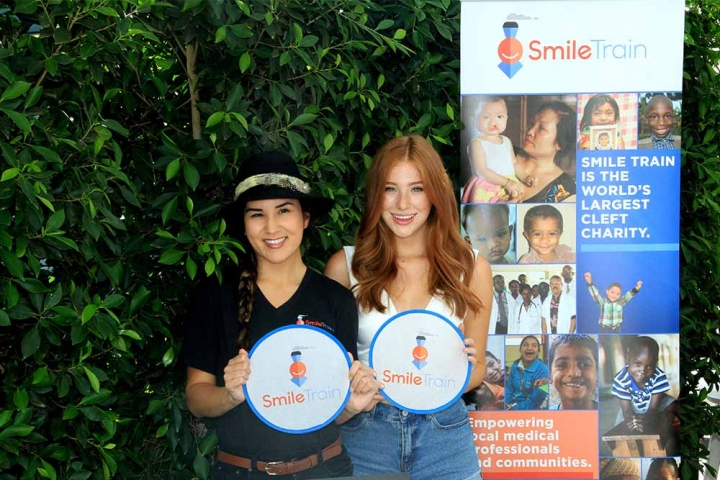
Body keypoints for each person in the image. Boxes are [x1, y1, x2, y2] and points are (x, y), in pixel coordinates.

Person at [183, 151, 379, 479]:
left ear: (305, 217)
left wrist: (351, 405)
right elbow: (196, 397)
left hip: (327, 469)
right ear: (243, 225)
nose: (271, 227)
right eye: (257, 214)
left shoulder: (336, 299)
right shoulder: (214, 296)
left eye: (284, 210)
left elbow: (330, 407)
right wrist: (230, 396)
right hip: (240, 472)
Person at [324, 134, 491, 479]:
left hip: (444, 435)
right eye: (390, 189)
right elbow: (330, 370)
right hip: (367, 434)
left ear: (435, 193)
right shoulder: (345, 266)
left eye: (416, 188)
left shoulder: (471, 267)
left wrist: (445, 377)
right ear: (375, 195)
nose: (403, 204)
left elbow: (476, 371)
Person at [462, 97, 534, 203]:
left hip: (508, 185)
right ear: (474, 120)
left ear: (506, 118)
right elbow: (482, 171)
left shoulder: (506, 141)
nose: (493, 122)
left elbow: (513, 164)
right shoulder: (476, 143)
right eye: (486, 117)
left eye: (499, 116)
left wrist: (525, 177)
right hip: (487, 187)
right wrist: (507, 183)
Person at [512, 101, 577, 203]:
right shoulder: (505, 152)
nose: (530, 132)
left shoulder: (565, 189)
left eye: (541, 128)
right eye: (531, 124)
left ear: (559, 143)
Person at [611, 336, 672, 434]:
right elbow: (626, 410)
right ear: (627, 358)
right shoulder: (620, 380)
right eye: (637, 364)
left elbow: (653, 408)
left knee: (671, 406)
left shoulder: (658, 377)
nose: (643, 370)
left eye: (649, 366)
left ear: (656, 363)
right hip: (631, 406)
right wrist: (630, 419)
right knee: (619, 428)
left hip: (655, 405)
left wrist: (648, 418)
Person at [548, 335, 598, 410]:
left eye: (584, 364)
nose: (574, 373)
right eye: (562, 365)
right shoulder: (544, 418)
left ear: (597, 372)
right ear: (550, 374)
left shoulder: (605, 418)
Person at [506, 336, 549, 410]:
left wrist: (513, 409)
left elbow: (535, 402)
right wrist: (505, 403)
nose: (529, 348)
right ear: (520, 349)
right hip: (512, 405)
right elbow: (509, 388)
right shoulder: (515, 365)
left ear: (538, 350)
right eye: (525, 345)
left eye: (534, 345)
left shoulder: (544, 370)